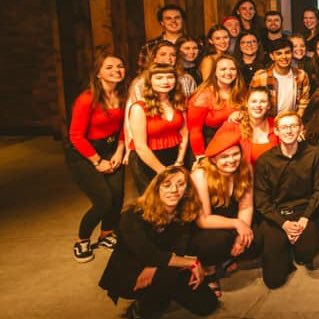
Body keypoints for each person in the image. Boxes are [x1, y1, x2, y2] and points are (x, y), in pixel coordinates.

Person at [98, 167, 217, 318]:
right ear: (156, 188)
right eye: (167, 185)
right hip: (132, 271)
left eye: (181, 184)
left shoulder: (183, 211)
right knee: (160, 295)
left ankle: (165, 292)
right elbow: (148, 254)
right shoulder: (132, 215)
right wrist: (192, 262)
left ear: (187, 189)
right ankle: (140, 308)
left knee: (207, 303)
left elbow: (180, 247)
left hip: (164, 263)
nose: (174, 190)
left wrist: (155, 266)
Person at [253, 112, 319, 288]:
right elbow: (261, 200)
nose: (289, 131)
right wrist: (283, 224)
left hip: (302, 213)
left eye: (294, 126)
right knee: (273, 281)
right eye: (284, 127)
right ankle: (283, 247)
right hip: (275, 215)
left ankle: (293, 245)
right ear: (276, 131)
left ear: (301, 128)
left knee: (307, 253)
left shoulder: (313, 155)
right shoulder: (265, 160)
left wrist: (305, 218)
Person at [68, 55, 128, 262]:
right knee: (103, 200)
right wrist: (96, 161)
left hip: (112, 149)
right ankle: (82, 239)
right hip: (86, 153)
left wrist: (120, 150)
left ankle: (107, 234)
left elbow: (125, 127)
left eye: (119, 66)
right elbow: (75, 135)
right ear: (98, 73)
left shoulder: (123, 95)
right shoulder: (87, 99)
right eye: (109, 67)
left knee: (118, 196)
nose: (116, 70)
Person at [189, 129, 257, 298]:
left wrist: (241, 236)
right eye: (224, 157)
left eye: (235, 154)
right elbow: (203, 220)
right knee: (217, 241)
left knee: (256, 238)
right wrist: (237, 224)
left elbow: (246, 206)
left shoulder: (245, 168)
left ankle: (228, 259)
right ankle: (210, 271)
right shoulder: (201, 175)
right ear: (213, 159)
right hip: (207, 228)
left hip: (233, 222)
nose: (232, 160)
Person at [129, 64, 189, 193]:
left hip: (175, 157)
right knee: (154, 202)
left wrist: (179, 162)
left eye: (170, 77)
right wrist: (162, 171)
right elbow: (140, 146)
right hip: (147, 161)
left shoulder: (179, 102)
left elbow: (184, 132)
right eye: (159, 77)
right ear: (150, 81)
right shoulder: (139, 108)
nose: (166, 81)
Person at [187, 55, 246, 157]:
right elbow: (195, 131)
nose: (228, 73)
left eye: (232, 69)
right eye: (223, 69)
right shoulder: (202, 97)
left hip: (236, 146)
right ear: (215, 72)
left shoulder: (241, 92)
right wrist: (200, 156)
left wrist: (242, 113)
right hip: (210, 147)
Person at [218, 87, 278, 167]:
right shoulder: (233, 124)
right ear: (246, 104)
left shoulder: (277, 125)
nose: (258, 105)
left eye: (263, 101)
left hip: (270, 177)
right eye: (254, 101)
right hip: (241, 176)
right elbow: (214, 153)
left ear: (269, 106)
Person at [250, 38, 311, 116]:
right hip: (267, 121)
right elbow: (252, 103)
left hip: (291, 122)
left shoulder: (301, 75)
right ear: (272, 56)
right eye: (279, 53)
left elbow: (303, 103)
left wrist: (297, 119)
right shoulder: (260, 77)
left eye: (287, 52)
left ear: (292, 53)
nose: (284, 57)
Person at [138, 4, 185, 70]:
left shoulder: (197, 43)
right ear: (162, 22)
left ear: (182, 20)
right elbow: (142, 72)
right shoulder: (149, 46)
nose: (173, 21)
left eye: (177, 18)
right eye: (168, 18)